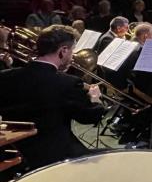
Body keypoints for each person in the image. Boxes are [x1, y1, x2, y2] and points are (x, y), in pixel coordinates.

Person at [0, 25, 104, 169]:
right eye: (72, 50)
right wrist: (95, 99)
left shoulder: (4, 76)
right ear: (63, 51)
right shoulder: (68, 83)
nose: (73, 56)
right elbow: (89, 118)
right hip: (55, 157)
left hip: (13, 153)